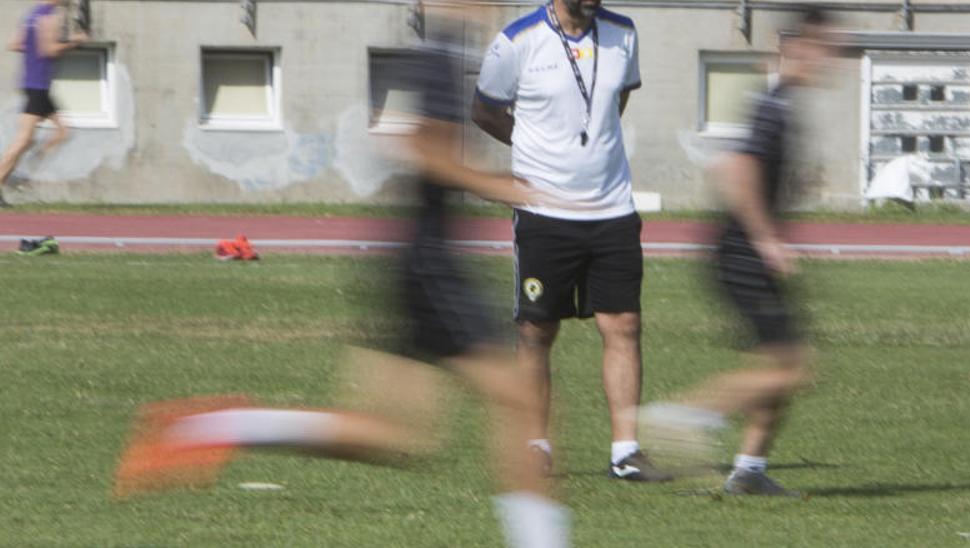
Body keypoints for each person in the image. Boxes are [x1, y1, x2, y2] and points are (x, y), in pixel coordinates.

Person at [113, 6, 570, 547]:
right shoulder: (442, 55)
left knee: (399, 438)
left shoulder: (447, 52)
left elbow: (412, 141)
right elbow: (422, 149)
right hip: (432, 269)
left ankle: (220, 426)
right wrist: (501, 185)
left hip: (421, 262)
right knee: (518, 400)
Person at [637, 7, 834, 496]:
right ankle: (683, 415)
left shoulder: (785, 104)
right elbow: (735, 169)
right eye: (824, 49)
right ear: (798, 50)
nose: (830, 60)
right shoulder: (775, 105)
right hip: (744, 256)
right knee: (794, 367)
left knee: (782, 365)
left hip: (747, 254)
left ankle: (749, 470)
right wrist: (767, 238)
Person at [472, 0, 668, 481]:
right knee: (536, 330)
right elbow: (484, 110)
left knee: (623, 326)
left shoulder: (624, 32)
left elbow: (617, 100)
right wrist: (536, 146)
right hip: (544, 212)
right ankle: (536, 446)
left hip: (612, 208)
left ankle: (626, 451)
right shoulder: (516, 41)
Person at [0, 0, 86, 208]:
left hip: (35, 85)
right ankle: (18, 173)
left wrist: (34, 50)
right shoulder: (49, 16)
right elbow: (49, 50)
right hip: (38, 85)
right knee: (23, 140)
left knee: (61, 131)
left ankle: (24, 169)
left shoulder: (32, 15)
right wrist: (74, 41)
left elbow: (16, 44)